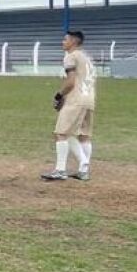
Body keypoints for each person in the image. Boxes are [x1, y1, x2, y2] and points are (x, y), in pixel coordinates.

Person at [42, 31, 96, 181]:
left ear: (73, 41)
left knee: (61, 133)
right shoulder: (87, 58)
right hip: (89, 99)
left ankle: (61, 170)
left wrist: (59, 95)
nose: (62, 42)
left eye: (65, 39)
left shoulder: (70, 56)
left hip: (76, 99)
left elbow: (71, 81)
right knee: (84, 135)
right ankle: (83, 170)